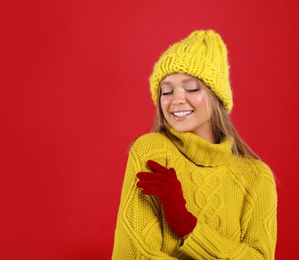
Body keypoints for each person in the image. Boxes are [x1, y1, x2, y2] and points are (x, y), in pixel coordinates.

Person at [112, 30, 277, 259]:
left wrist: (187, 225)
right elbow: (132, 253)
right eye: (166, 91)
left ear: (215, 97)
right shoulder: (152, 152)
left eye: (191, 88)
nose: (177, 99)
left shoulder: (256, 177)